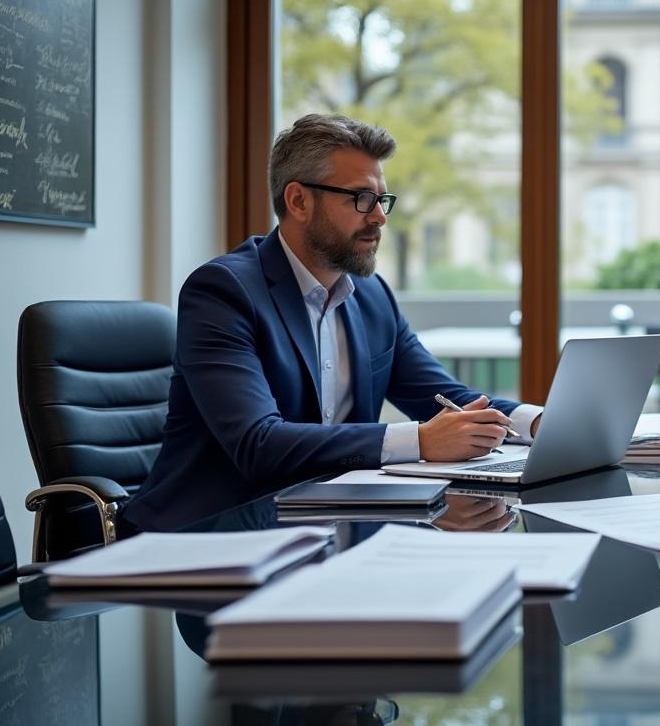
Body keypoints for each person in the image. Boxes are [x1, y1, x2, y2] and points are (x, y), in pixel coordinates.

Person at [123, 114, 542, 532]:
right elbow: (258, 444)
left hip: (332, 525)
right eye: (361, 198)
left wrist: (539, 424)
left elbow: (448, 398)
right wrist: (421, 441)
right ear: (299, 201)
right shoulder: (223, 292)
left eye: (382, 199)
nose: (379, 217)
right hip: (209, 539)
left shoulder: (373, 296)